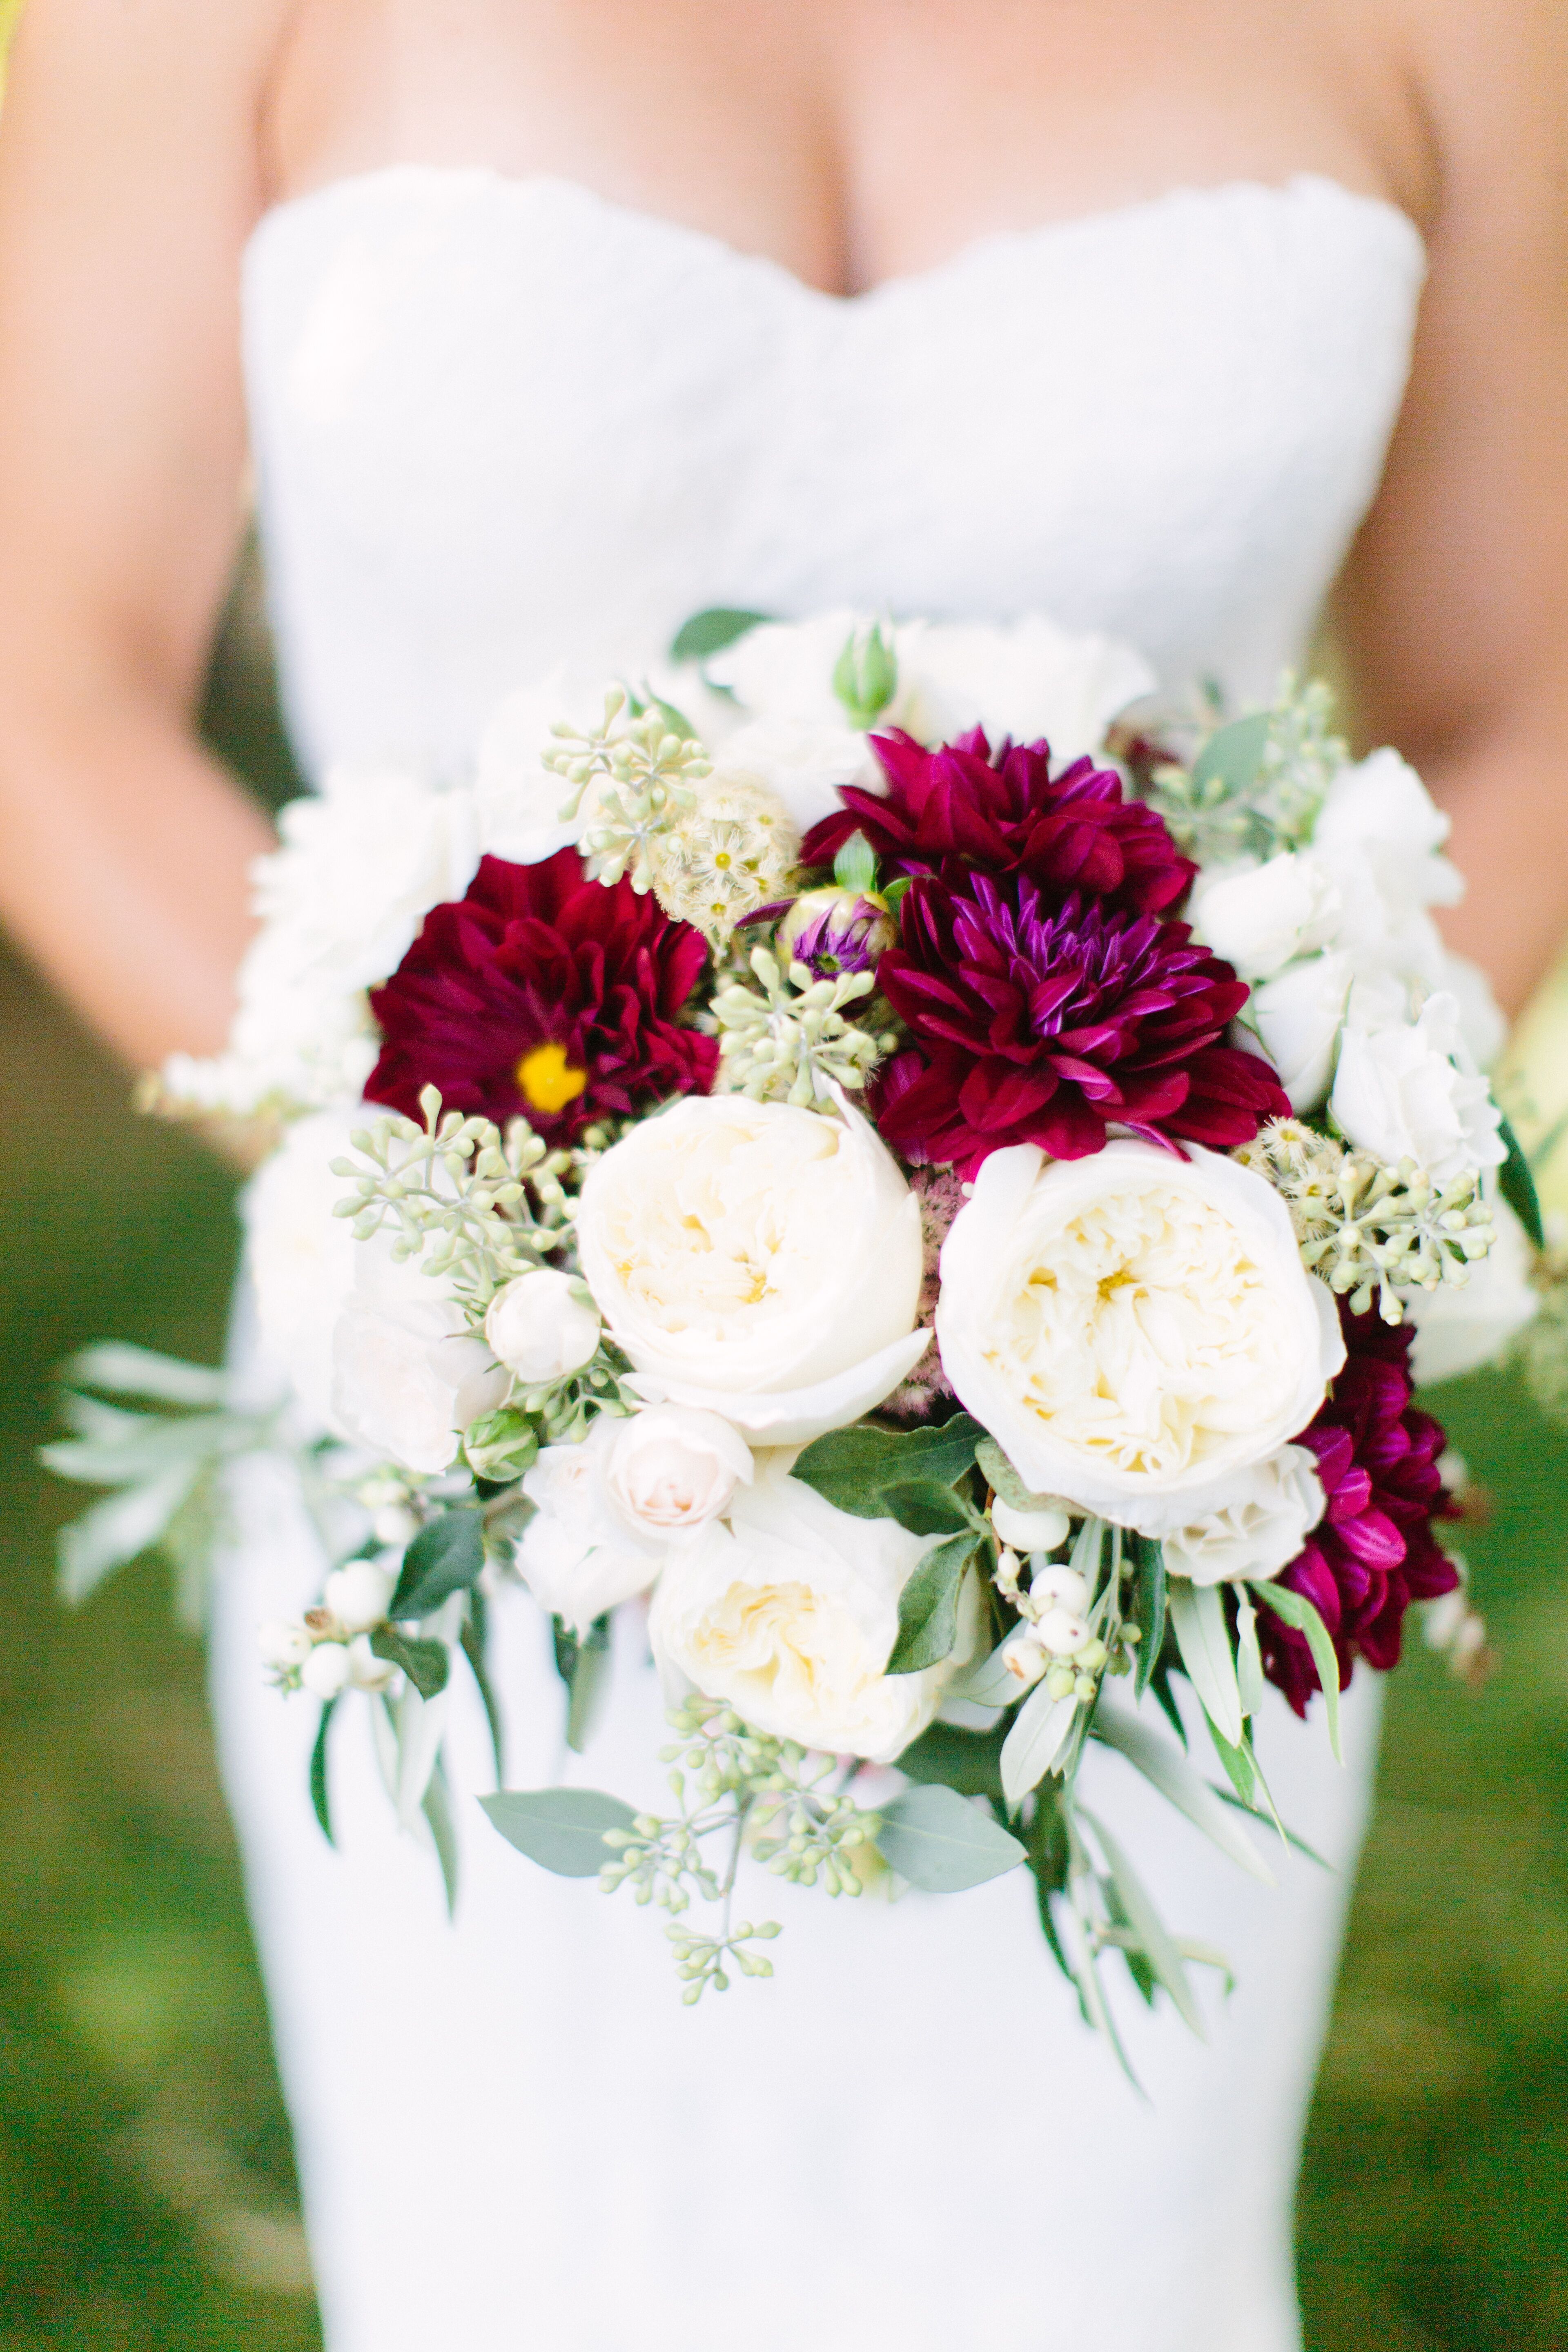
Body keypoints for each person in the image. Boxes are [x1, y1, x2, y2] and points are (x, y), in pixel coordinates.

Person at [0, 5, 1565, 2347]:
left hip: (1135, 1444)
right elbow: (48, 693)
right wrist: (557, 1280)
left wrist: (1207, 1206)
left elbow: (1520, 706)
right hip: (479, 1444)